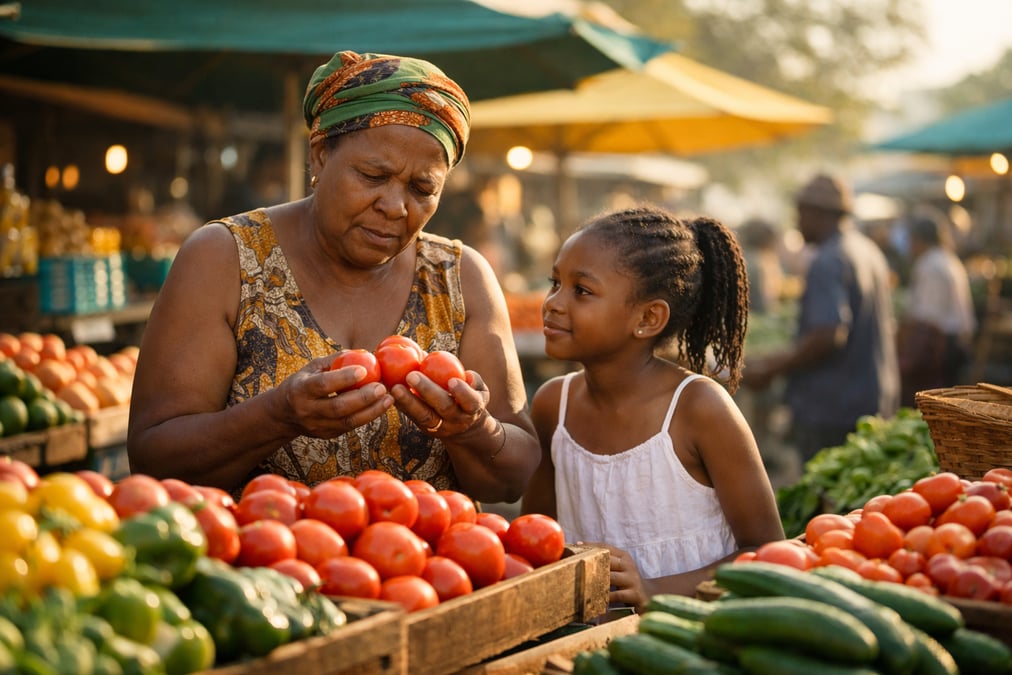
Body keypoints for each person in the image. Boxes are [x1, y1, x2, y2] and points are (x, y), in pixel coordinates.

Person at [127, 50, 541, 504]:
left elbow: (512, 477)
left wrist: (473, 429)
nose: (395, 206)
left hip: (421, 567)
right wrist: (277, 416)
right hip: (265, 563)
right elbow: (153, 457)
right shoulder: (223, 259)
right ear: (320, 154)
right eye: (372, 175)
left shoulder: (461, 278)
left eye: (422, 189)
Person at [520, 204, 785, 611]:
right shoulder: (553, 406)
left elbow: (768, 553)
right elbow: (537, 539)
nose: (553, 302)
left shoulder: (699, 408)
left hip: (691, 639)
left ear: (648, 317)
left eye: (582, 291)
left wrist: (658, 590)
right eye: (554, 282)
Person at [744, 173, 900, 462]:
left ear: (816, 213)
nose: (797, 222)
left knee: (825, 499)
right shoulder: (868, 251)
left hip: (833, 408)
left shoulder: (828, 260)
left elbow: (829, 333)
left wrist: (771, 368)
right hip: (872, 400)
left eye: (800, 214)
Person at [896, 208, 976, 405]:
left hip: (943, 348)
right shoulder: (947, 259)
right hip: (954, 344)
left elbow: (928, 319)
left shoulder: (931, 264)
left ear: (920, 240)